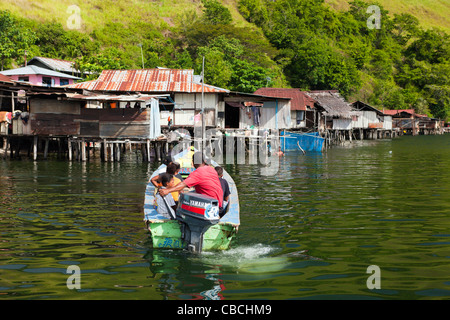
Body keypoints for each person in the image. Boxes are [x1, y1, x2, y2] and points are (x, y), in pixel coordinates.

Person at [159, 151, 224, 216]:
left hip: (210, 209)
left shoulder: (197, 173)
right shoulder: (212, 169)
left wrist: (168, 190)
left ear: (193, 162)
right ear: (204, 160)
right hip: (220, 206)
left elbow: (182, 185)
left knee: (184, 200)